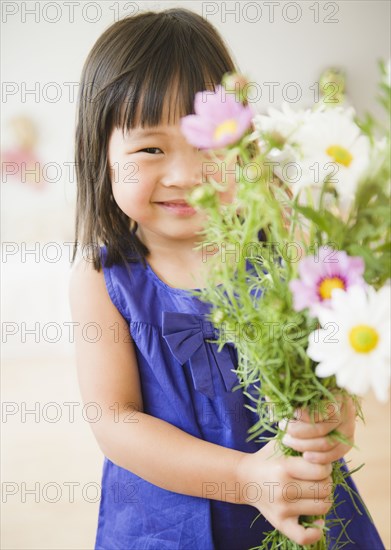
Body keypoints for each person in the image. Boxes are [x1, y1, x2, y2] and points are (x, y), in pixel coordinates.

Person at [69, 8, 384, 550]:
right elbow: (114, 420)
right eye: (150, 148)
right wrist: (243, 479)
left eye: (210, 145)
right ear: (102, 155)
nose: (186, 176)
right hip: (165, 519)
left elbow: (330, 364)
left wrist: (332, 418)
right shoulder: (101, 278)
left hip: (295, 499)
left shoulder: (284, 243)